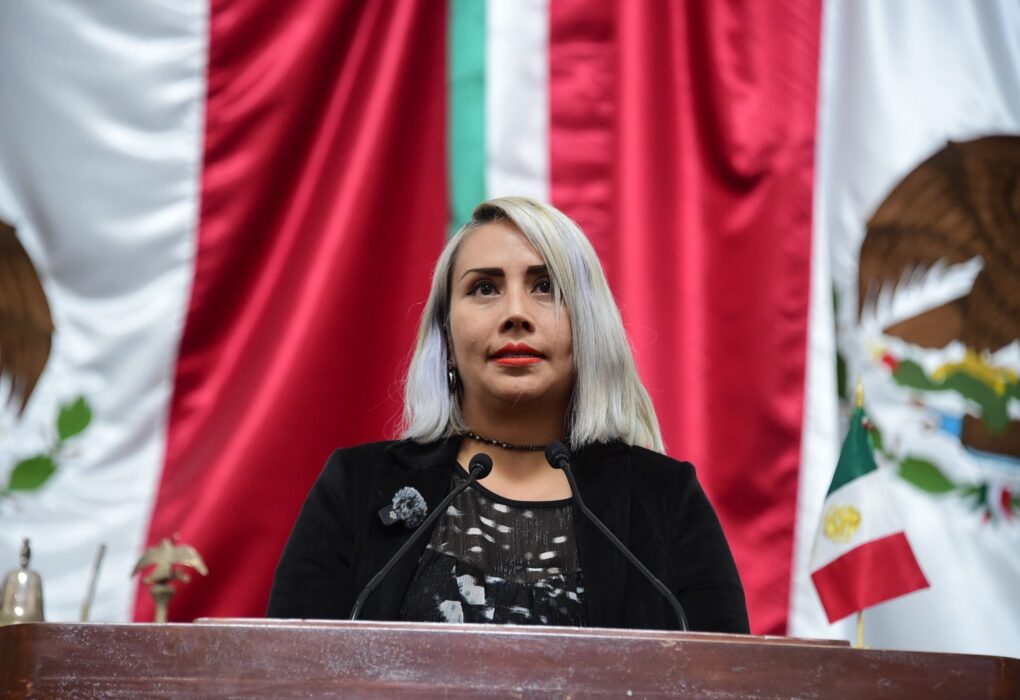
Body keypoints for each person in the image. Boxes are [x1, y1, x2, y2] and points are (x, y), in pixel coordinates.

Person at [267, 197, 749, 632]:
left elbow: (727, 679)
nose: (516, 312)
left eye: (545, 286)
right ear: (446, 335)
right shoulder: (356, 486)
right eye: (484, 288)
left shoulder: (666, 498)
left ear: (588, 325)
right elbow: (287, 676)